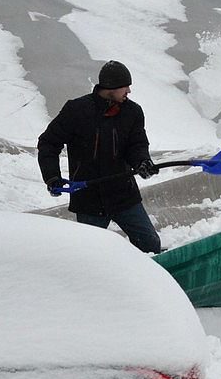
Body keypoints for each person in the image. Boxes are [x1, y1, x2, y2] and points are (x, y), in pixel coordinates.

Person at [38, 60, 162, 253]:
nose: (128, 91)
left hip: (124, 195)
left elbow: (137, 144)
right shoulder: (77, 110)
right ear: (110, 87)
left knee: (150, 245)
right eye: (125, 86)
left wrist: (142, 161)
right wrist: (51, 176)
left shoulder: (132, 112)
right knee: (90, 255)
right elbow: (48, 143)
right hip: (88, 200)